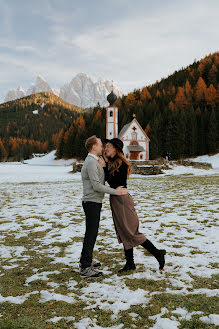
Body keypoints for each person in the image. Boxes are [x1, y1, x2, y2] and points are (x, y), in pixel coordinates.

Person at [98, 138, 166, 273]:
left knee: (131, 232)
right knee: (123, 231)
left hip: (122, 199)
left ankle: (158, 254)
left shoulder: (121, 163)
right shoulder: (113, 162)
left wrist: (105, 168)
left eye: (108, 147)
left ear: (116, 148)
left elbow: (114, 183)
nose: (105, 149)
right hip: (116, 199)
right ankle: (130, 263)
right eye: (105, 146)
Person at [80, 135, 128, 278]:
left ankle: (85, 261)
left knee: (91, 233)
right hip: (91, 202)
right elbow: (96, 186)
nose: (103, 147)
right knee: (91, 234)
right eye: (101, 145)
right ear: (94, 147)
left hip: (94, 202)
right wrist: (116, 191)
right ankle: (85, 268)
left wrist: (105, 166)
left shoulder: (95, 161)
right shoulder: (91, 162)